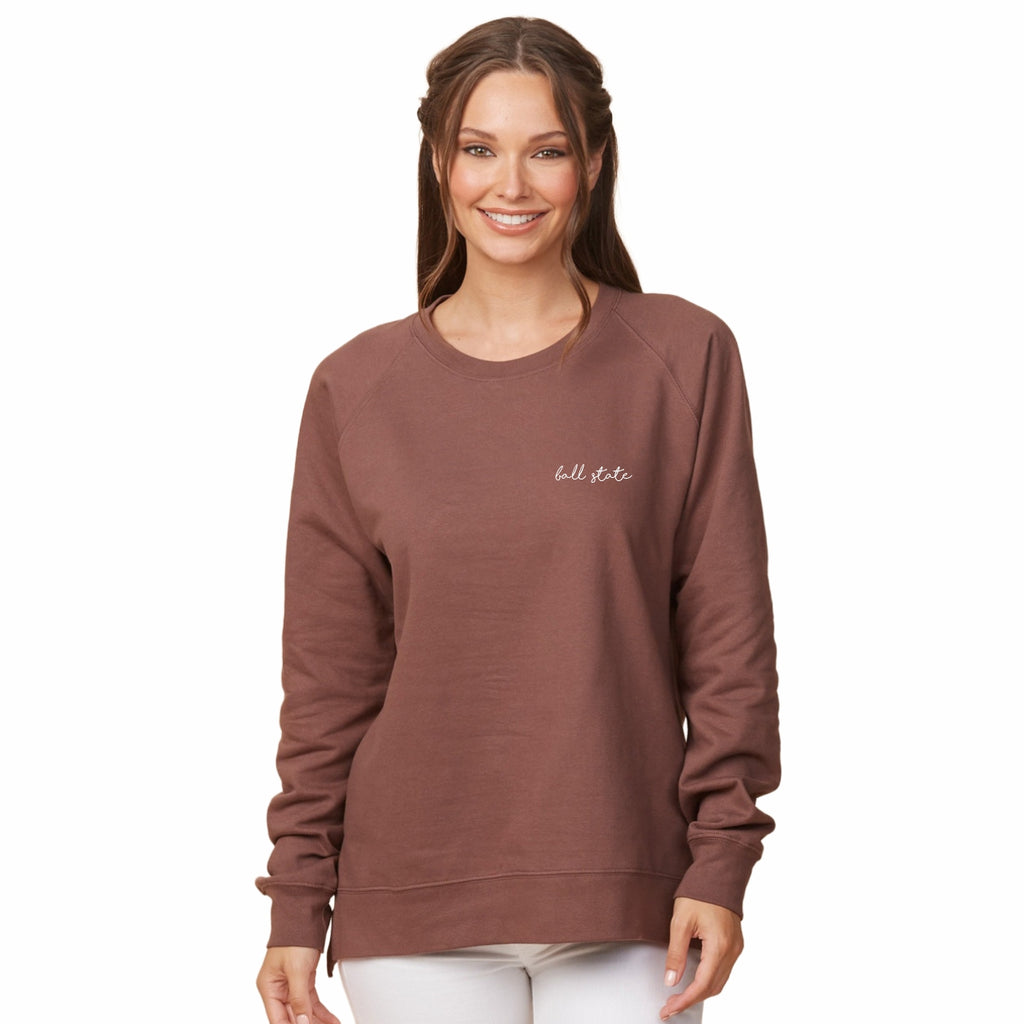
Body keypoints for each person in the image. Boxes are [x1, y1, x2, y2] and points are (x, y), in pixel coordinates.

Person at [255, 16, 780, 1024]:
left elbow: (729, 640)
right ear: (439, 165)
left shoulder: (682, 358)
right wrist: (294, 903)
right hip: (411, 903)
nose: (511, 184)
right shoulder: (355, 388)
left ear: (592, 164)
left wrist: (721, 861)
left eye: (546, 150)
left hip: (629, 891)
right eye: (478, 148)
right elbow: (329, 680)